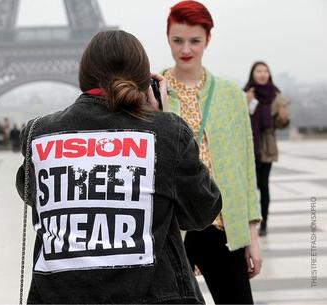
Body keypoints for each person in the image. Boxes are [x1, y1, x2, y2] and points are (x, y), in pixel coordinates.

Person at [16, 30, 222, 304]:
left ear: (84, 74)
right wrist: (159, 119)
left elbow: (37, 198)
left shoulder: (38, 133)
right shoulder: (166, 132)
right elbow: (201, 212)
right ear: (144, 81)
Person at [162, 1, 262, 304]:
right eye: (177, 40)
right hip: (172, 227)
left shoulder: (231, 95)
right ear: (167, 37)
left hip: (222, 224)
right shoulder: (153, 91)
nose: (186, 49)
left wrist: (252, 238)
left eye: (195, 40)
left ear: (208, 39)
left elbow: (245, 167)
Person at [244, 61, 290, 237]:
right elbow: (240, 119)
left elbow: (280, 124)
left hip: (268, 145)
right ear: (253, 74)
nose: (262, 74)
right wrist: (246, 103)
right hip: (250, 144)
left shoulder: (276, 97)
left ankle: (264, 222)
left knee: (264, 186)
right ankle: (250, 221)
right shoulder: (247, 93)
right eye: (258, 71)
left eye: (265, 71)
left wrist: (283, 118)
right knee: (251, 186)